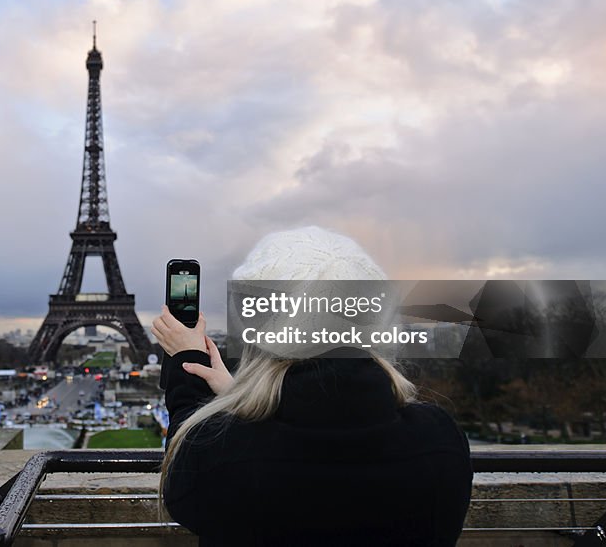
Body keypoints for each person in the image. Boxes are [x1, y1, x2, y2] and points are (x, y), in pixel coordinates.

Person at [153, 227, 472, 546]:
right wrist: (237, 392)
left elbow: (184, 470)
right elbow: (318, 418)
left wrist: (187, 362)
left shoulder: (226, 459)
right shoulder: (441, 441)